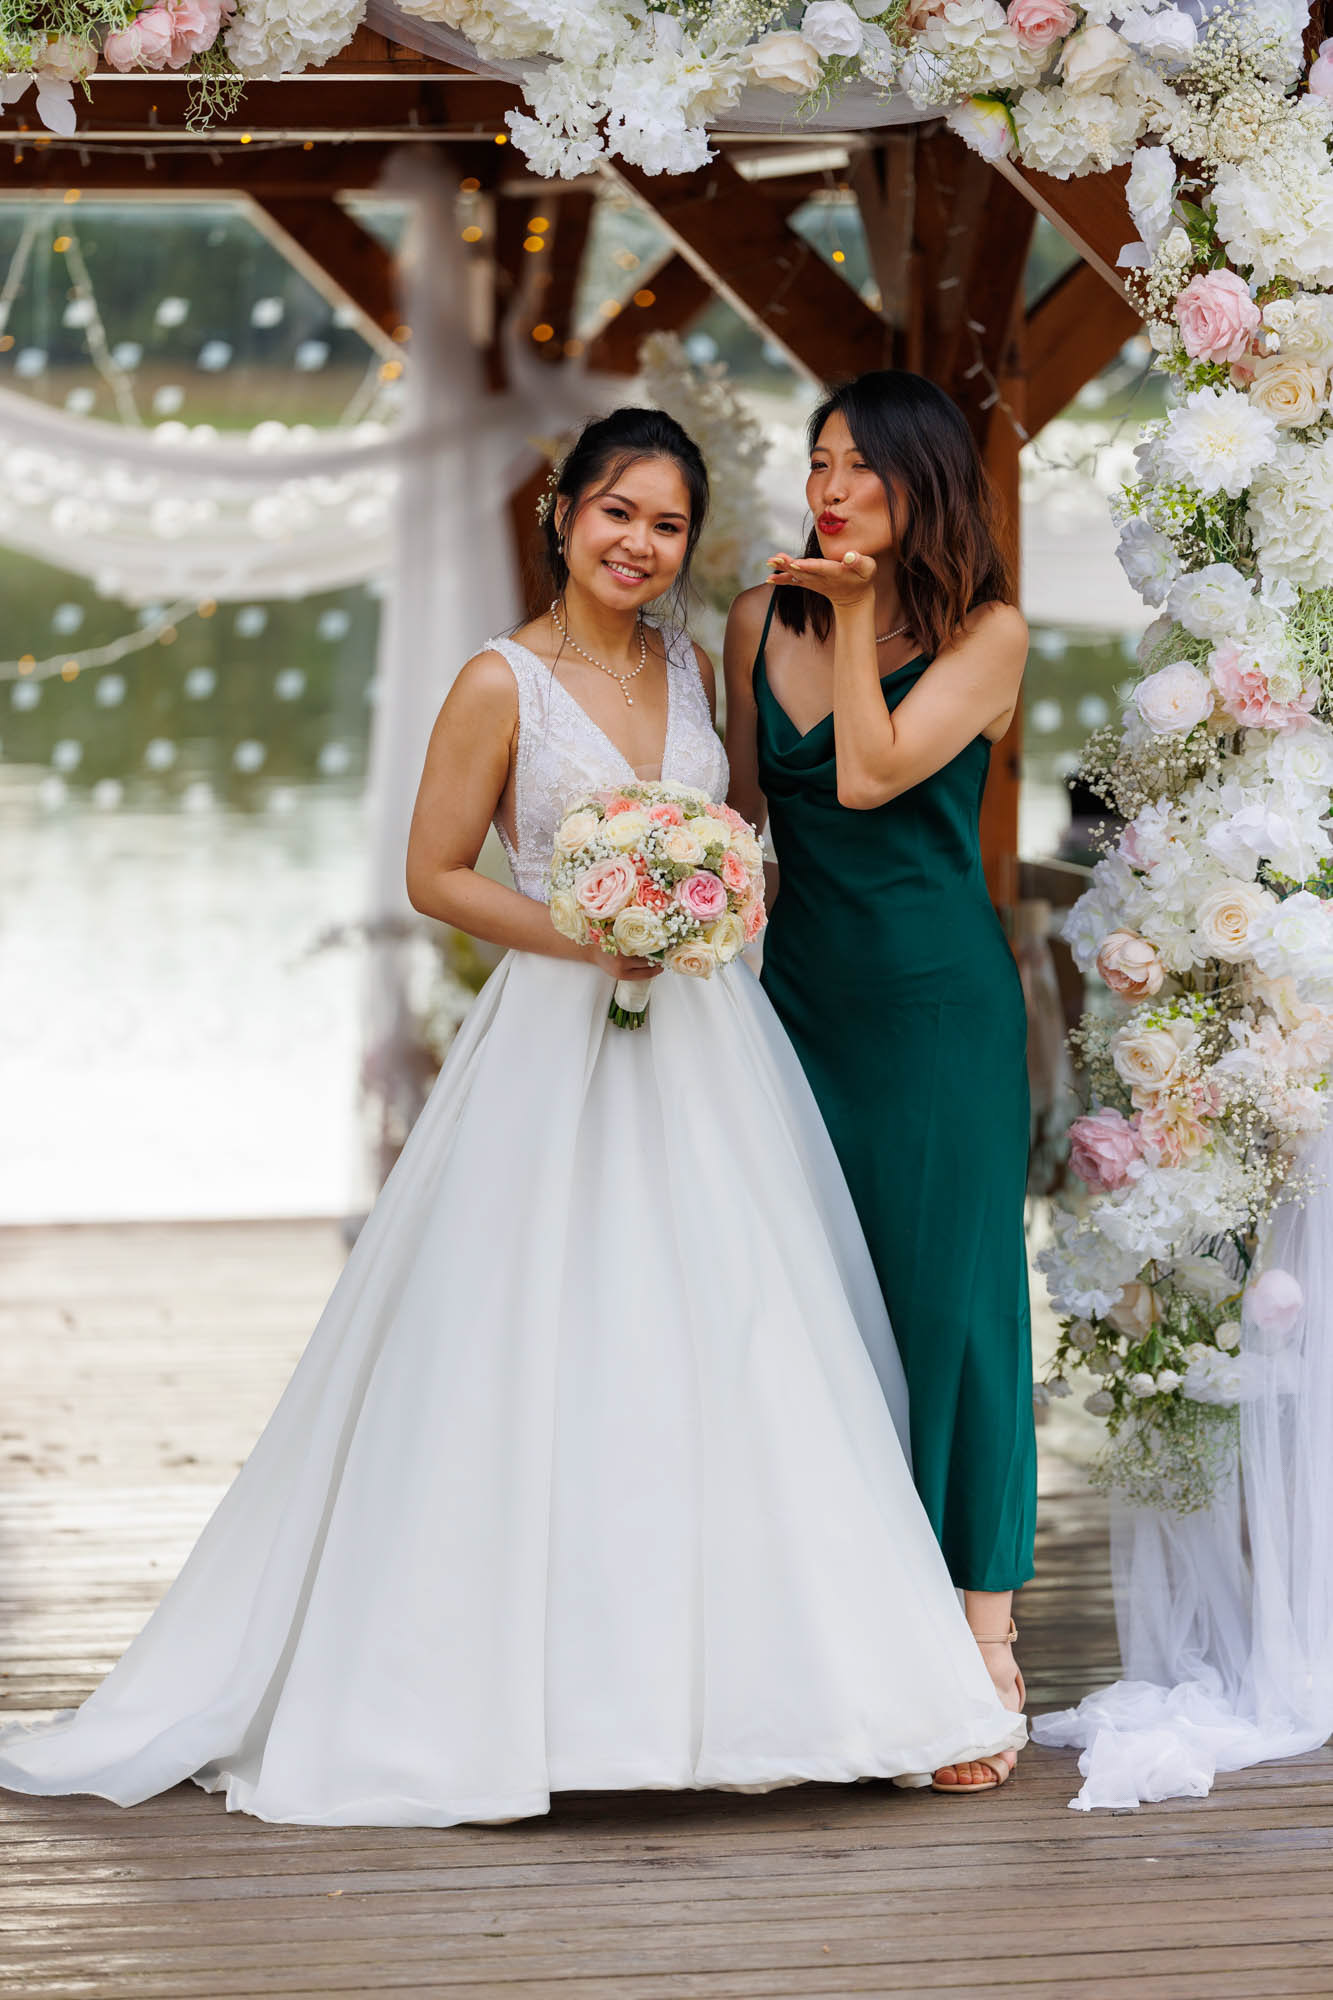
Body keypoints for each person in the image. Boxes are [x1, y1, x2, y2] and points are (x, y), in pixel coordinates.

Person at [0, 406, 1023, 1827]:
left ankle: (787, 1677)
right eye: (616, 513)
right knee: (528, 1326)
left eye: (666, 524)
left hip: (709, 1037)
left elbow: (742, 831)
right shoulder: (501, 679)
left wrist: (701, 903)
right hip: (556, 1032)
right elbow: (435, 874)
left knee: (745, 1327)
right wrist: (585, 928)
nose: (638, 544)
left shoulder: (689, 663)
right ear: (562, 513)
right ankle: (508, 1682)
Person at [725, 371, 1035, 1793]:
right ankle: (838, 1635)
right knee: (816, 1312)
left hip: (935, 1011)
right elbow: (747, 814)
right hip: (797, 1005)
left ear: (926, 480)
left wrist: (855, 618)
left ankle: (982, 1639)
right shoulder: (757, 621)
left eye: (861, 463)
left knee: (953, 1314)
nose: (832, 486)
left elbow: (867, 774)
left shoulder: (988, 634)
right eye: (818, 461)